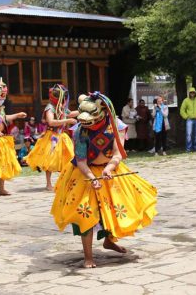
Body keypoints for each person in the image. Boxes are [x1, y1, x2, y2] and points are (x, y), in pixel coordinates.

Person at [51, 92, 157, 268]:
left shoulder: (114, 126)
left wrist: (108, 168)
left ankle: (109, 241)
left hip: (110, 170)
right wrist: (92, 178)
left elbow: (117, 153)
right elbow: (81, 161)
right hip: (85, 173)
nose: (84, 119)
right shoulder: (81, 131)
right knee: (87, 212)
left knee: (112, 208)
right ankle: (88, 257)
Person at [26, 84, 78, 191]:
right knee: (50, 160)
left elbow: (71, 113)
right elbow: (51, 122)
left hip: (62, 136)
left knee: (68, 158)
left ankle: (65, 181)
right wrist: (67, 121)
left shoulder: (61, 107)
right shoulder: (50, 107)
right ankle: (48, 184)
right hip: (52, 136)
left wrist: (83, 109)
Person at [180, 87, 196, 152]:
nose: (192, 94)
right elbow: (182, 110)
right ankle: (188, 149)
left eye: (193, 92)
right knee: (189, 134)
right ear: (189, 93)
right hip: (189, 119)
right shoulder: (186, 100)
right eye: (191, 92)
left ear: (195, 93)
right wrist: (186, 117)